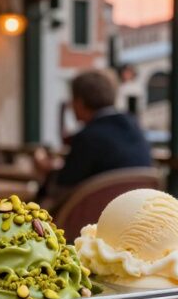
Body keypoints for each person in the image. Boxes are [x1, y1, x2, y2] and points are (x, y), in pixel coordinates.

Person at [35, 69, 152, 206]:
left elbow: (61, 190)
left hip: (95, 219)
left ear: (79, 102)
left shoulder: (88, 137)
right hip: (137, 213)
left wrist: (47, 171)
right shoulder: (134, 126)